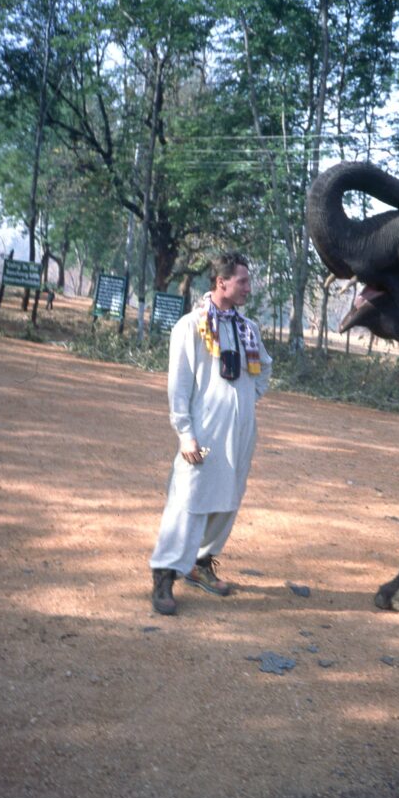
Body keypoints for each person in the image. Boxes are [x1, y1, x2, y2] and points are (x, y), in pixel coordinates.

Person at [149, 252, 272, 615]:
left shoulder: (247, 328)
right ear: (222, 282)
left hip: (240, 433)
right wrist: (185, 433)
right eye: (243, 281)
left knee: (228, 499)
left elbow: (264, 366)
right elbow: (179, 386)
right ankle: (164, 574)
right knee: (189, 500)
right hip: (203, 434)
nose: (248, 288)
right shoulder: (191, 326)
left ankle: (200, 564)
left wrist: (250, 396)